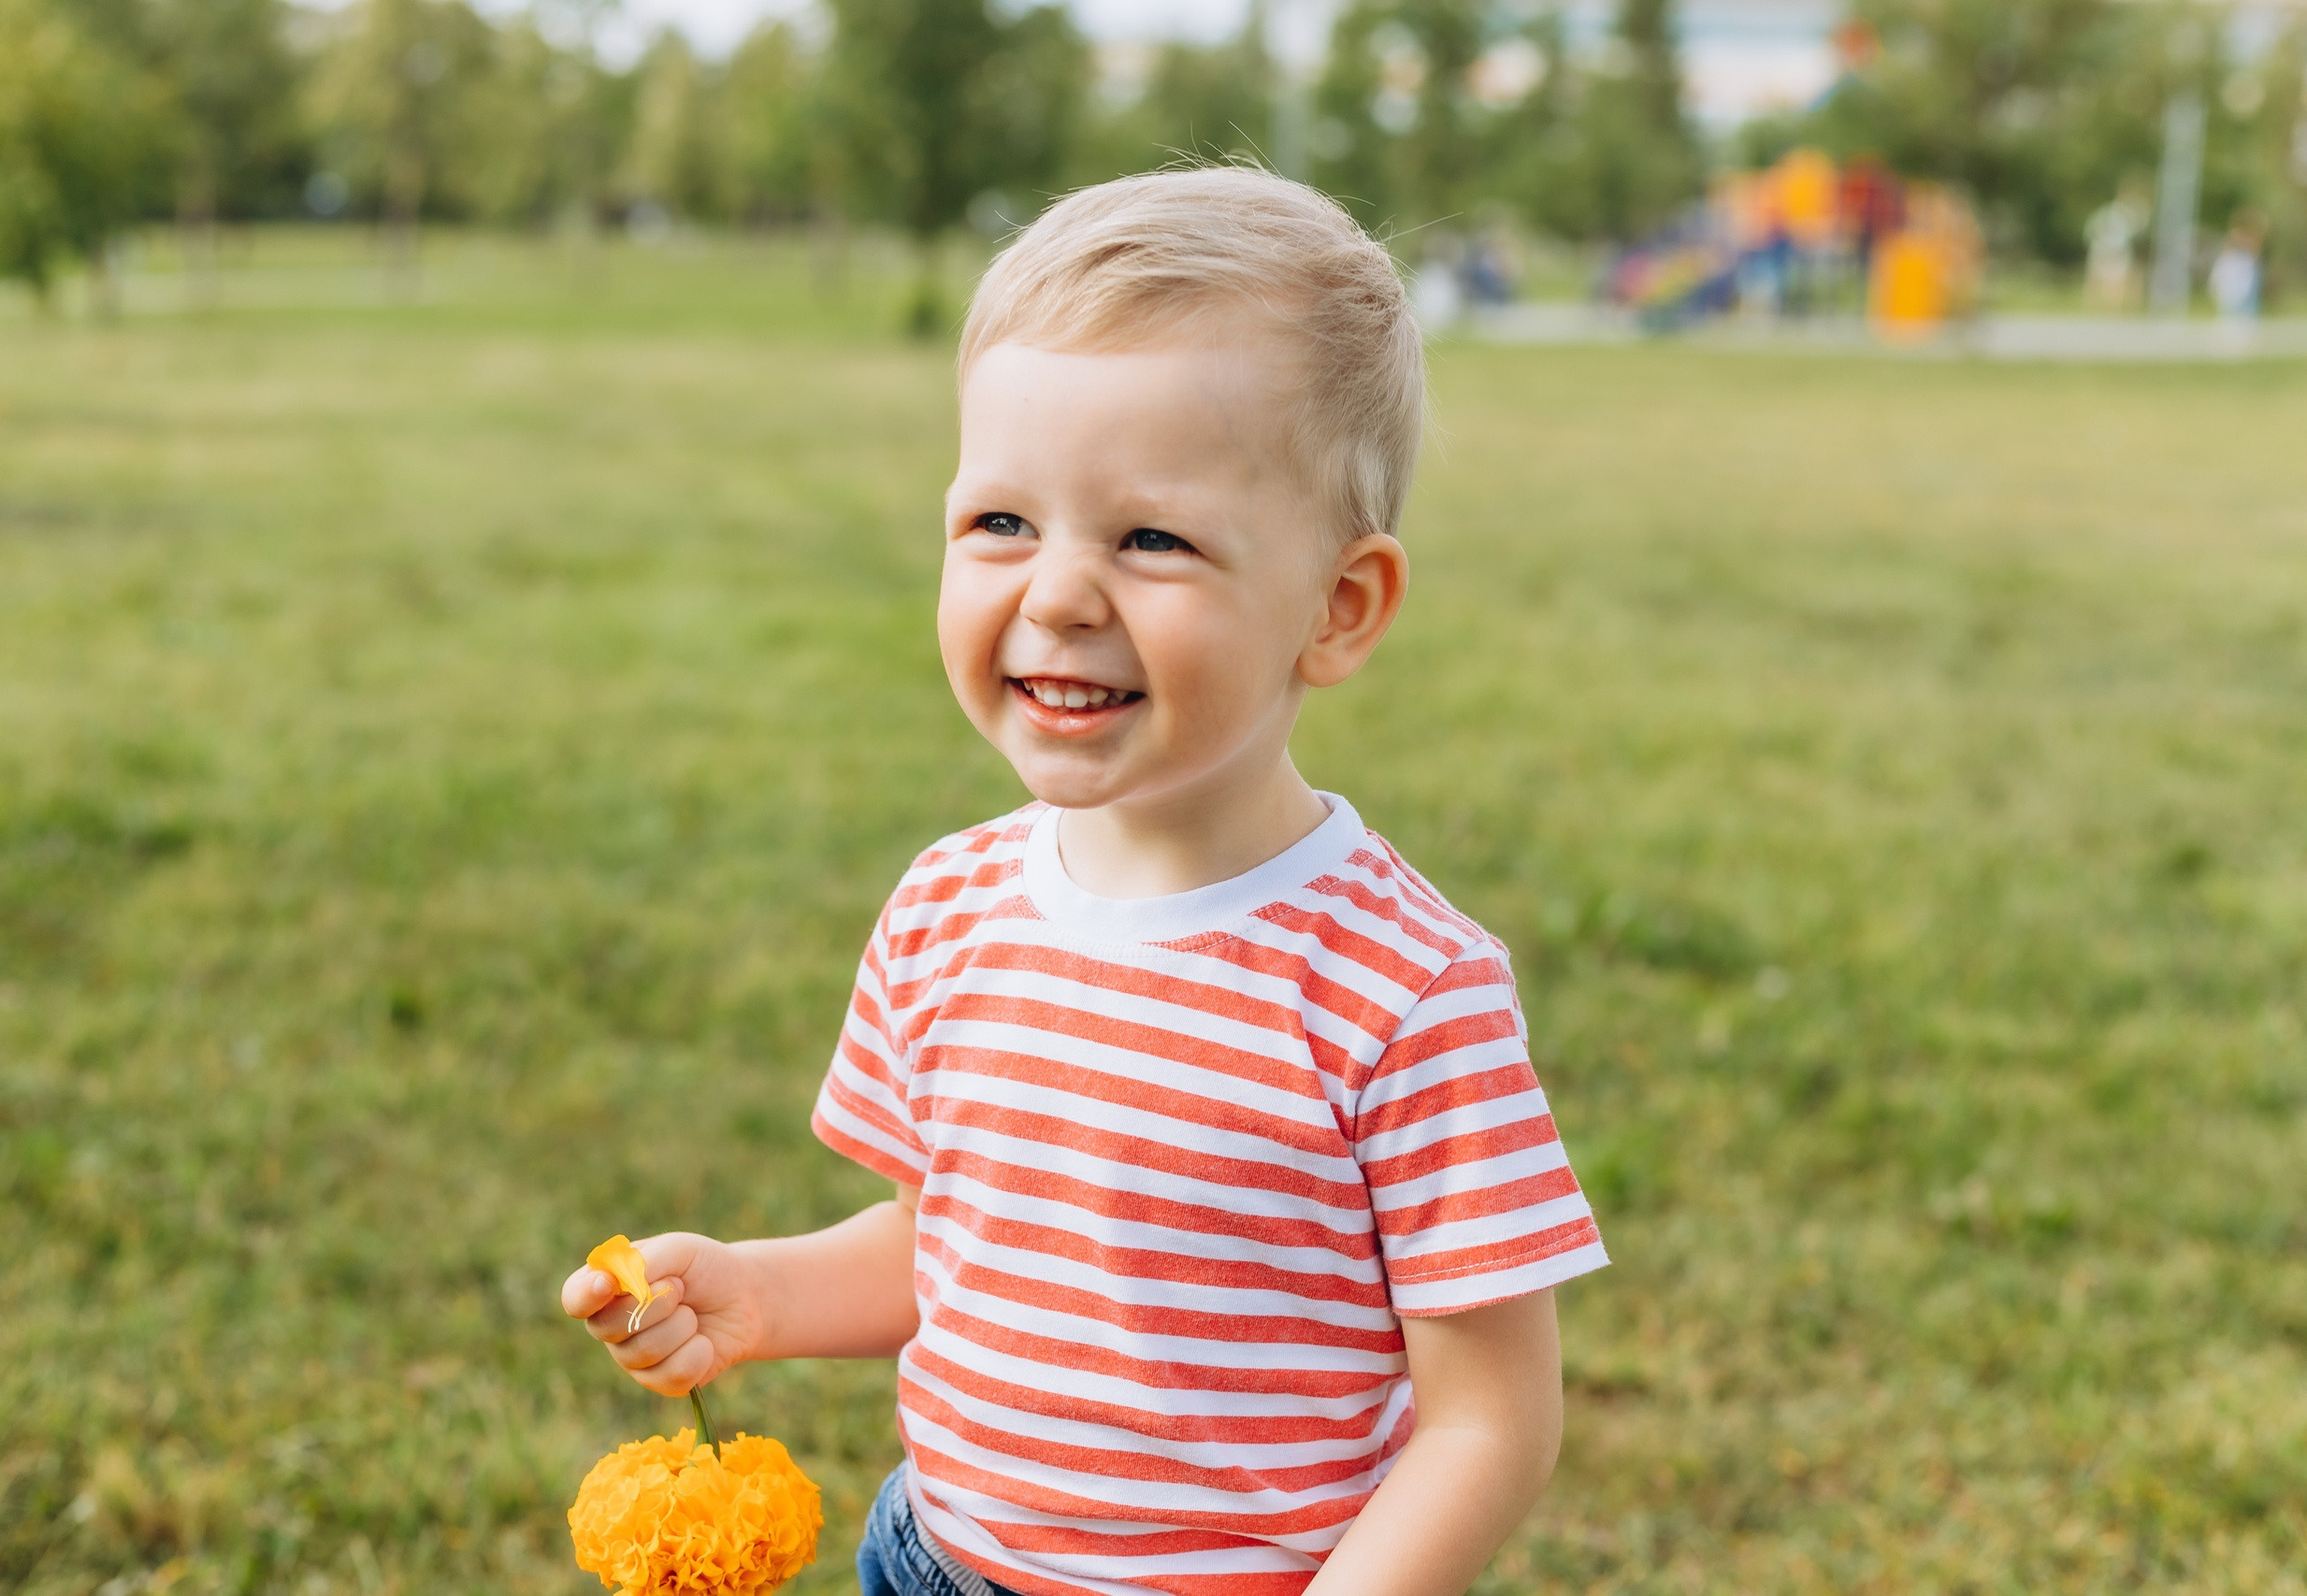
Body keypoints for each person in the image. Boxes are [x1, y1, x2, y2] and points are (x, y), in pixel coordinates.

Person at [560, 167, 1608, 1596]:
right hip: (938, 1563)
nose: (1055, 594)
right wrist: (764, 1291)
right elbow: (959, 1239)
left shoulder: (1403, 990)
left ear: (1338, 607)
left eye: (1151, 538)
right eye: (1002, 523)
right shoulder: (947, 910)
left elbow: (1490, 1420)